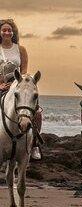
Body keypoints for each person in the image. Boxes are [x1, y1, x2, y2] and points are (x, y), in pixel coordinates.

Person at [0, 19, 42, 160]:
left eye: (9, 30)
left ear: (13, 33)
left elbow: (24, 71)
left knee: (37, 111)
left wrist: (19, 84)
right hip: (0, 86)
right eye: (4, 30)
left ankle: (34, 144)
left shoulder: (20, 49)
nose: (7, 32)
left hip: (16, 85)